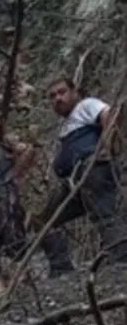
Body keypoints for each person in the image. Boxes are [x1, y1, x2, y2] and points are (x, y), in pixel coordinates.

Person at [30, 78, 127, 271]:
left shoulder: (86, 105)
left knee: (105, 215)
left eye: (62, 92)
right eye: (52, 96)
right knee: (46, 220)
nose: (58, 98)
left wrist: (106, 147)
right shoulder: (66, 124)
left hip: (92, 170)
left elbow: (109, 115)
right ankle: (61, 268)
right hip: (73, 182)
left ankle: (121, 263)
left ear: (74, 92)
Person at [0, 114, 73, 277]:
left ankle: (60, 266)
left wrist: (15, 174)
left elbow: (28, 150)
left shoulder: (4, 142)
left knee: (28, 230)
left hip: (12, 195)